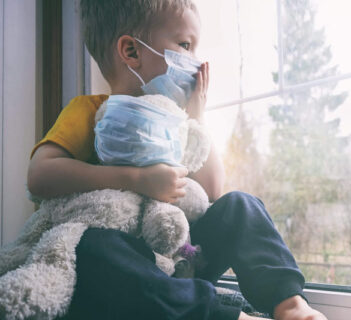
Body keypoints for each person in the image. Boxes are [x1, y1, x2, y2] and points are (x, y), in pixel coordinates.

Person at [27, 1, 328, 319]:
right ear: (132, 52)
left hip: (182, 256)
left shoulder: (179, 121)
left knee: (242, 205)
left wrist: (196, 118)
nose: (197, 63)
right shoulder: (90, 111)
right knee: (89, 248)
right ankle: (219, 314)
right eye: (185, 46)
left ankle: (290, 304)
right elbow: (40, 175)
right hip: (131, 269)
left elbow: (213, 190)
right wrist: (134, 179)